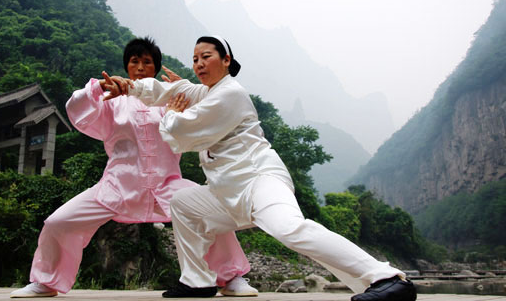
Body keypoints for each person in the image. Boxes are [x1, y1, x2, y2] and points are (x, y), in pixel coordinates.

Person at [101, 35, 417, 301]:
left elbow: (183, 128)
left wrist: (170, 113)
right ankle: (197, 281)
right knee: (183, 204)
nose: (198, 64)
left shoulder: (229, 93)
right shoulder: (205, 91)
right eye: (194, 58)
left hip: (260, 180)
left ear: (226, 60)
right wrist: (127, 87)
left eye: (206, 56)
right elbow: (169, 90)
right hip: (228, 192)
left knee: (290, 229)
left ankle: (388, 278)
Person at [10, 37, 256, 298]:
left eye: (147, 62)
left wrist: (182, 95)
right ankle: (45, 282)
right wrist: (96, 89)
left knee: (206, 211)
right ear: (126, 66)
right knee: (59, 222)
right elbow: (78, 110)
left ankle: (231, 278)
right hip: (117, 185)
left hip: (167, 184)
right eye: (134, 61)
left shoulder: (171, 98)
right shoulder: (111, 98)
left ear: (155, 68)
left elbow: (208, 112)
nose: (140, 67)